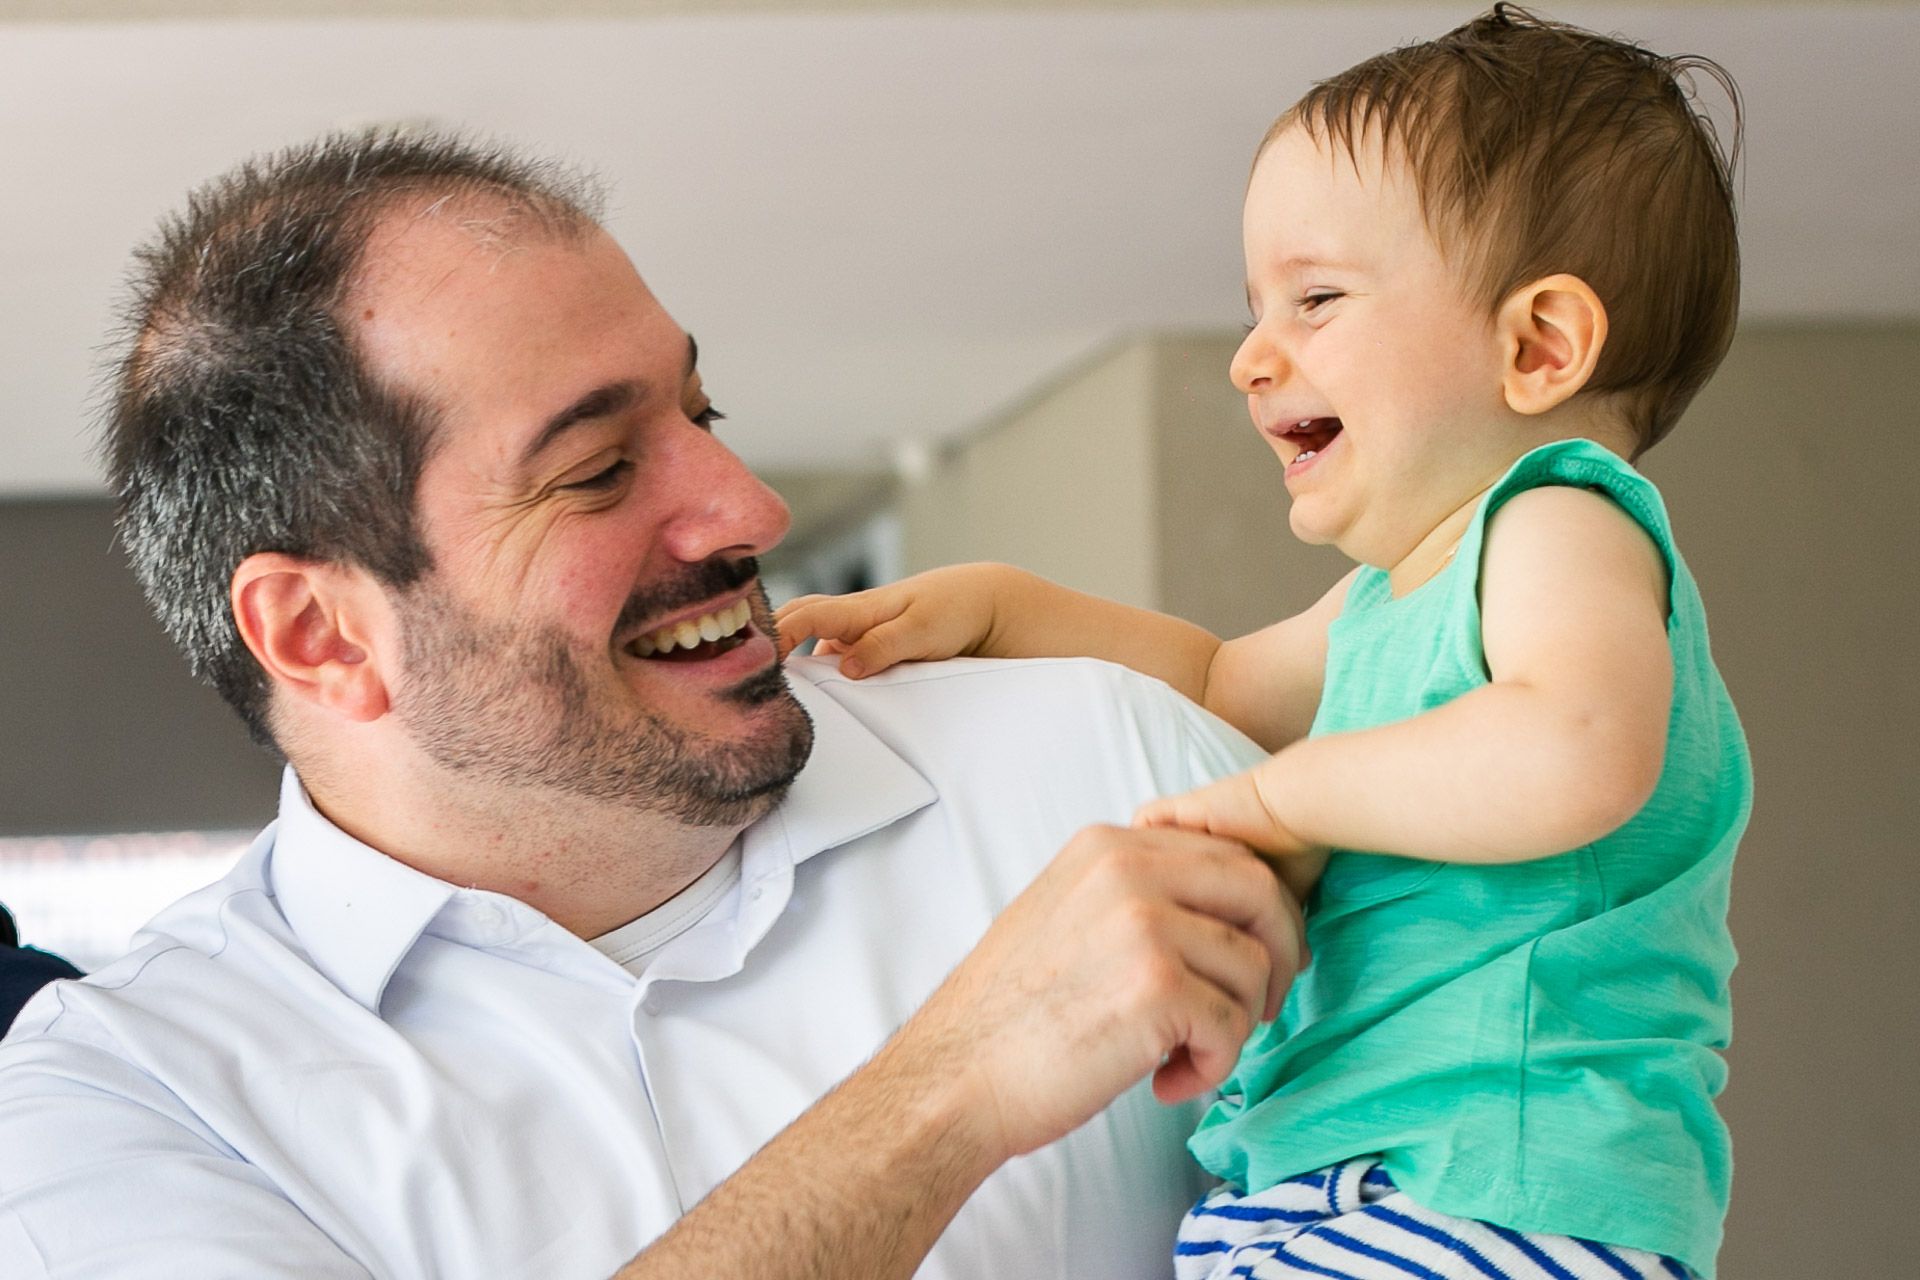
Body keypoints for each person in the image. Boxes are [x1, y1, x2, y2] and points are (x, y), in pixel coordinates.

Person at [0, 132, 1308, 1279]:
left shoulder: (1104, 762)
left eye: (703, 410)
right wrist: (946, 1094)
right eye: (599, 470)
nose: (752, 511)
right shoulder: (123, 1102)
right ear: (321, 631)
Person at [775, 9, 1751, 1279]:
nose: (1253, 356)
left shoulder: (1558, 520)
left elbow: (1577, 746)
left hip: (1505, 1179)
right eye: (1257, 310)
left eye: (1319, 299)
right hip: (1356, 1180)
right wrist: (1008, 605)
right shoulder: (1393, 602)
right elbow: (1221, 681)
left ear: (1537, 347)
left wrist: (1282, 800)